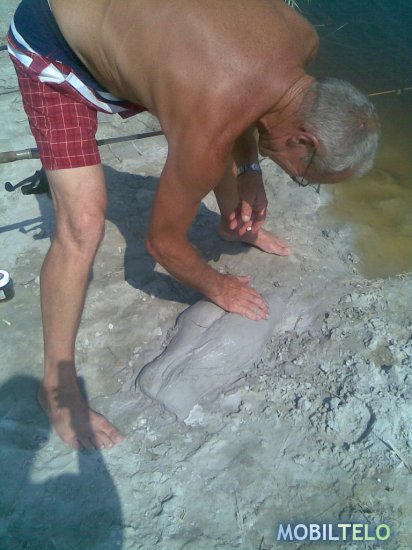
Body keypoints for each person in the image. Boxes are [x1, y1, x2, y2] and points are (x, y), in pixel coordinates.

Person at [7, 0, 380, 450]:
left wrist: (251, 172)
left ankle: (233, 223)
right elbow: (163, 245)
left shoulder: (302, 38)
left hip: (144, 40)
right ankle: (57, 388)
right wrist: (218, 286)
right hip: (54, 41)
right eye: (302, 176)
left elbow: (251, 98)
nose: (295, 177)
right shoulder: (212, 119)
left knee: (210, 130)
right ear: (304, 140)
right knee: (82, 227)